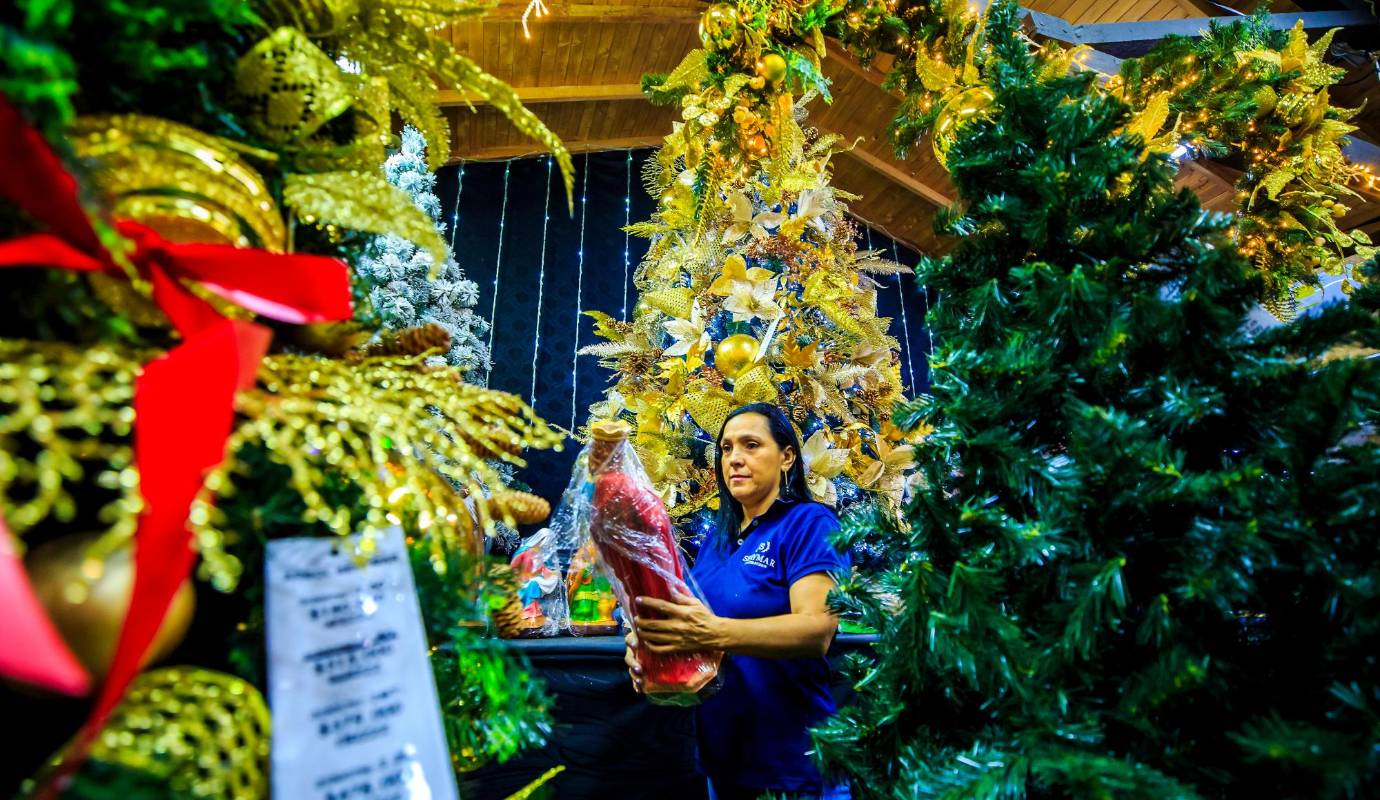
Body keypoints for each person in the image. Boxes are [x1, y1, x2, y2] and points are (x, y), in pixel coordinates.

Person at [624, 403, 851, 800]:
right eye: (726, 449)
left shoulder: (809, 523)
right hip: (724, 760)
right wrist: (651, 650)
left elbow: (817, 630)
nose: (735, 459)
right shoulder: (719, 539)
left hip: (794, 763)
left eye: (750, 445)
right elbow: (701, 641)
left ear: (787, 457)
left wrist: (713, 632)